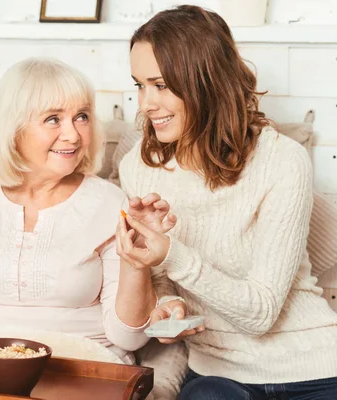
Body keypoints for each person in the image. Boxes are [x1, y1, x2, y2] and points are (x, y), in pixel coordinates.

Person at [116, 5, 337, 399]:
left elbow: (261, 313)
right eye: (139, 85)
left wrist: (173, 253)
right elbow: (161, 273)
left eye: (161, 85)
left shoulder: (282, 160)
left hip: (312, 369)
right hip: (218, 375)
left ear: (206, 82)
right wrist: (168, 302)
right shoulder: (139, 168)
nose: (146, 103)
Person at [0, 57, 172, 364]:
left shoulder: (110, 204)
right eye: (53, 119)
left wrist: (136, 263)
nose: (73, 134)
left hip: (80, 366)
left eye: (81, 117)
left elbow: (129, 337)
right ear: (13, 128)